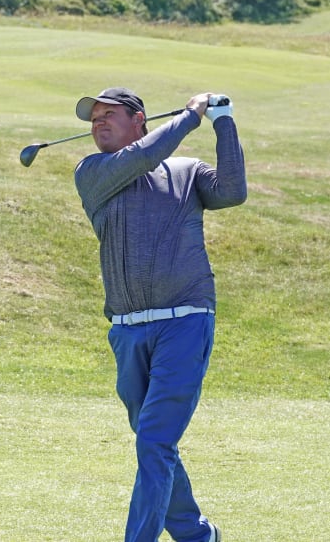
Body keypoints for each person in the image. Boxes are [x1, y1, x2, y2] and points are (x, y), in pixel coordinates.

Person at [72, 87, 246, 542]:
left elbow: (232, 192)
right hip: (127, 331)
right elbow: (141, 160)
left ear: (139, 119)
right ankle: (196, 535)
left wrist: (223, 121)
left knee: (154, 440)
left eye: (109, 115)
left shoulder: (187, 173)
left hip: (185, 321)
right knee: (155, 444)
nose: (99, 124)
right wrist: (191, 117)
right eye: (94, 119)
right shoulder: (92, 172)